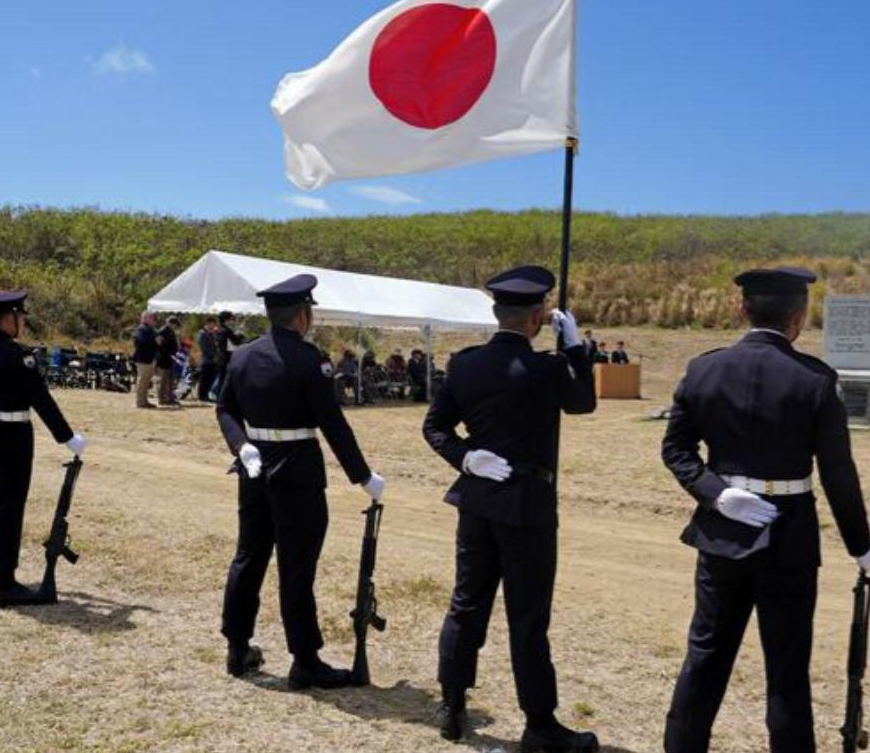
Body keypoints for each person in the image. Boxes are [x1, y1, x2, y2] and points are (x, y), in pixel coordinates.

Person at [661, 267, 870, 753]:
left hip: (722, 532)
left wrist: (715, 492)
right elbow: (838, 473)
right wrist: (859, 544)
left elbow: (676, 450)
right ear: (798, 318)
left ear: (742, 310)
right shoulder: (816, 380)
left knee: (705, 657)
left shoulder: (704, 369)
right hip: (790, 536)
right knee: (786, 666)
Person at [423, 265, 598, 752]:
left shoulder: (464, 364)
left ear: (497, 312)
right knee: (527, 618)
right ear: (539, 316)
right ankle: (539, 724)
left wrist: (464, 457)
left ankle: (452, 704)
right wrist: (577, 350)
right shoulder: (546, 369)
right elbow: (583, 402)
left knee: (467, 603)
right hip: (527, 506)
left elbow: (435, 429)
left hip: (477, 500)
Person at [216, 274, 385, 689]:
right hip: (296, 471)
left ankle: (237, 646)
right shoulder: (311, 360)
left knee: (249, 557)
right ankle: (305, 659)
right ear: (301, 315)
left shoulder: (243, 356)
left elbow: (224, 410)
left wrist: (242, 446)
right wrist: (362, 476)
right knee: (296, 567)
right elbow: (332, 422)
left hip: (255, 470)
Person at [0, 291, 88, 606]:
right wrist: (66, 437)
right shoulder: (19, 357)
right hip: (12, 437)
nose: (23, 322)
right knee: (8, 507)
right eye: (21, 316)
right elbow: (41, 400)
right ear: (8, 317)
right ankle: (3, 581)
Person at [213, 310, 244, 394]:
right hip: (227, 357)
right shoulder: (226, 330)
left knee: (221, 378)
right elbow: (236, 341)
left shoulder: (219, 330)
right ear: (226, 320)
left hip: (220, 356)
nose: (232, 321)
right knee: (225, 379)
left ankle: (219, 396)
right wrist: (241, 332)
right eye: (231, 319)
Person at [132, 313, 158, 409]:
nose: (153, 319)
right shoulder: (141, 329)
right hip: (143, 359)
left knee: (147, 381)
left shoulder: (150, 330)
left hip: (150, 358)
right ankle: (140, 401)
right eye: (151, 318)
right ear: (145, 318)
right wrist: (154, 341)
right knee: (142, 380)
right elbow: (140, 342)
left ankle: (145, 400)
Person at [156, 317, 182, 406]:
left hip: (170, 358)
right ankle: (162, 398)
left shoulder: (171, 332)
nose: (175, 327)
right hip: (163, 358)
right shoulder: (163, 331)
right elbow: (161, 345)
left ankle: (170, 397)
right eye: (175, 325)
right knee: (163, 380)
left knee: (170, 380)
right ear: (171, 323)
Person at [197, 317, 219, 402]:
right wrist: (212, 355)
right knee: (204, 379)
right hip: (206, 359)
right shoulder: (202, 333)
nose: (213, 326)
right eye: (213, 324)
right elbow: (204, 347)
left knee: (210, 378)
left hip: (212, 360)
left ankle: (206, 395)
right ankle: (202, 396)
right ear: (208, 323)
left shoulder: (210, 333)